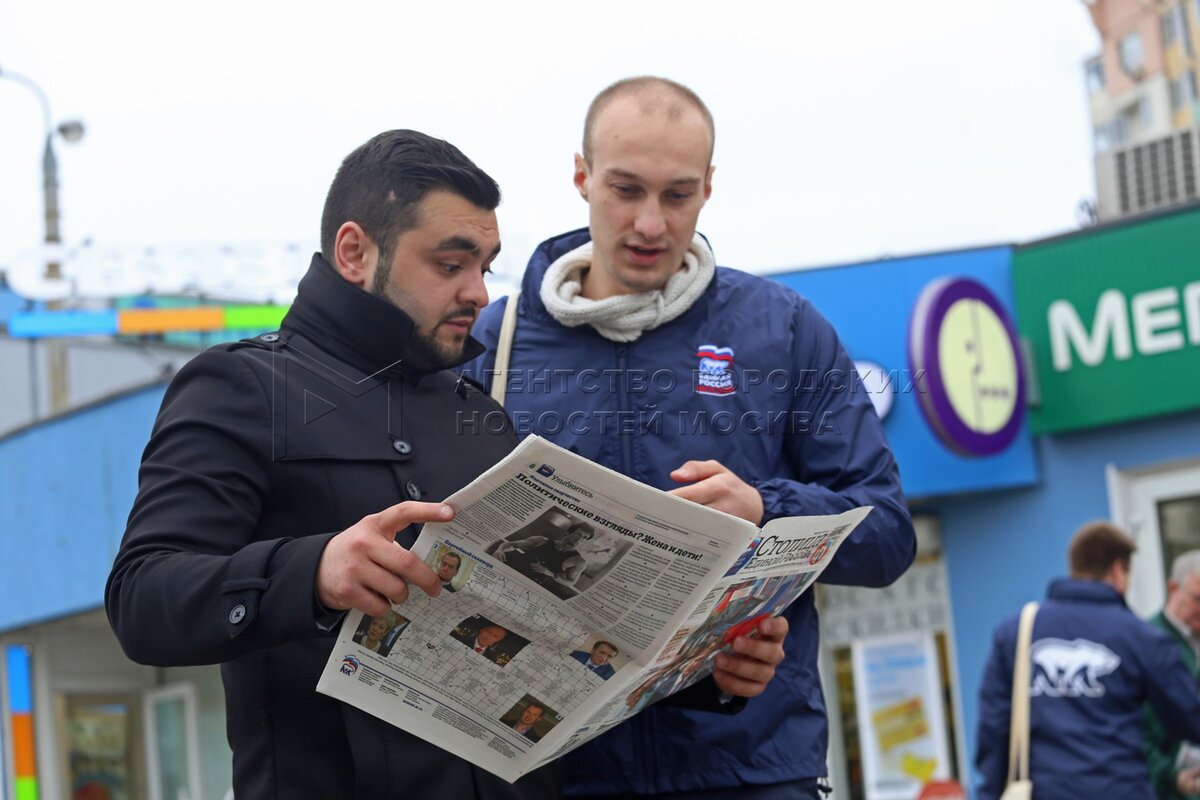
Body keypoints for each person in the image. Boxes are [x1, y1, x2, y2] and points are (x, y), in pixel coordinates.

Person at [464, 76, 916, 798]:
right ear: (581, 177)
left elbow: (889, 534)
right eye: (625, 190)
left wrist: (764, 510)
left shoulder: (783, 330)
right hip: (556, 770)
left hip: (750, 768)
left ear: (708, 186)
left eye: (677, 195)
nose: (650, 223)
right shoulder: (496, 343)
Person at [104, 129, 562, 799]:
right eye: (450, 265)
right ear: (355, 252)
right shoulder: (242, 387)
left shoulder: (479, 414)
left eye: (486, 268)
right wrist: (312, 572)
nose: (478, 294)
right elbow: (142, 601)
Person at [975, 522, 1200, 800]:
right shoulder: (1141, 638)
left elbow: (994, 730)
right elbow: (1189, 717)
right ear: (1117, 571)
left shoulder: (1017, 633)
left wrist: (989, 793)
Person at [1146, 549, 1200, 800]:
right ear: (1172, 588)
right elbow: (1137, 734)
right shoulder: (1146, 643)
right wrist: (1170, 777)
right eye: (1197, 599)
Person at [494, 521, 594, 593]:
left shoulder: (578, 561)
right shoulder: (540, 540)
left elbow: (571, 582)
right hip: (508, 572)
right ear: (568, 533)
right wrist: (500, 550)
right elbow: (511, 544)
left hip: (527, 586)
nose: (580, 539)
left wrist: (551, 574)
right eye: (579, 534)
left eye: (585, 538)